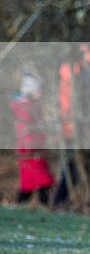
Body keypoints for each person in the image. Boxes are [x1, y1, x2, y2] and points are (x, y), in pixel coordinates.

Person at [11, 73, 55, 205]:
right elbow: (24, 130)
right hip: (29, 150)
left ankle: (22, 205)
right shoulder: (25, 106)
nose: (40, 92)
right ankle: (42, 206)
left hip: (34, 149)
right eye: (37, 88)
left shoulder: (34, 105)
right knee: (42, 180)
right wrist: (34, 148)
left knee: (31, 183)